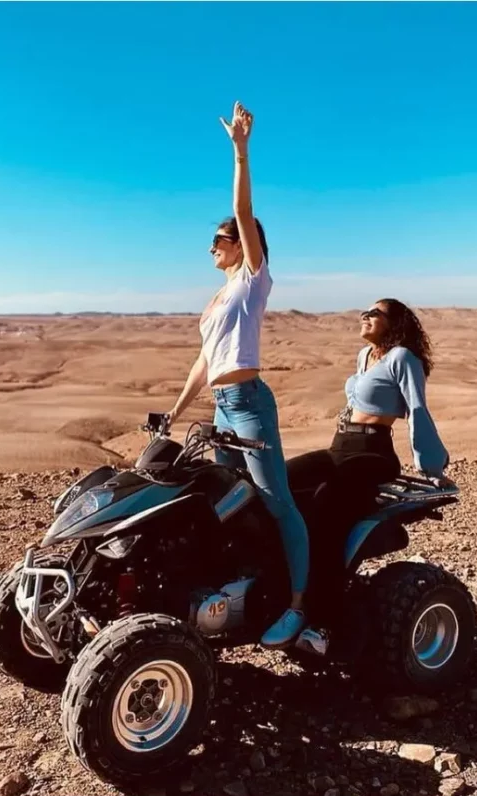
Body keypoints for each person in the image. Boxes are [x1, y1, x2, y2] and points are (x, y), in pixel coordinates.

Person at [167, 101, 309, 649]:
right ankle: (242, 594)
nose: (211, 247)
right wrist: (175, 416)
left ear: (243, 247)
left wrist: (241, 153)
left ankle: (299, 606)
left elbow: (244, 212)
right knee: (229, 504)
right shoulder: (218, 298)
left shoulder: (252, 281)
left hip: (248, 404)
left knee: (277, 500)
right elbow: (205, 362)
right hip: (222, 408)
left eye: (218, 240)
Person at [333, 298, 452, 489]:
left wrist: (432, 469)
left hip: (370, 449)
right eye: (365, 313)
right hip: (342, 443)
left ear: (394, 323)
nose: (365, 317)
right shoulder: (364, 355)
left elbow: (417, 410)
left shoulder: (401, 357)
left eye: (374, 314)